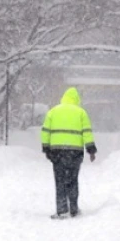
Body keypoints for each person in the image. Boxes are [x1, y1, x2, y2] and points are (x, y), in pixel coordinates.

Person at [41, 87, 97, 219]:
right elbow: (86, 133)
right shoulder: (81, 112)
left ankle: (61, 210)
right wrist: (91, 150)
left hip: (57, 151)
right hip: (75, 152)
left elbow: (45, 131)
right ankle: (73, 209)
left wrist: (46, 148)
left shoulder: (53, 111)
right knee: (72, 180)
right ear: (76, 99)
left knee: (59, 180)